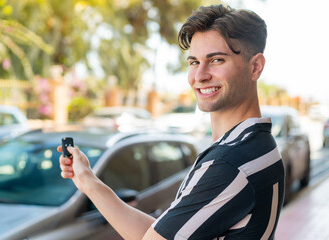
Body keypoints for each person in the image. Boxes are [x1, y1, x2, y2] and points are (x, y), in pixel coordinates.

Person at [58, 4, 285, 240]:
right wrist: (88, 181)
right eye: (194, 62)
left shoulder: (230, 164)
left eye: (216, 60)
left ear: (255, 67)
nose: (199, 75)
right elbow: (158, 234)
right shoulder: (259, 143)